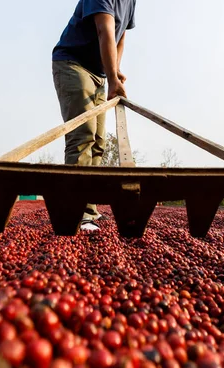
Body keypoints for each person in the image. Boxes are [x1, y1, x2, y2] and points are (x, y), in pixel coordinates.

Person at [52, 0, 137, 231]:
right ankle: (75, 213)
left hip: (99, 73)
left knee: (98, 142)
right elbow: (104, 29)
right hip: (73, 64)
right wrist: (112, 79)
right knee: (83, 135)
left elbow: (120, 37)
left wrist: (115, 71)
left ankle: (89, 210)